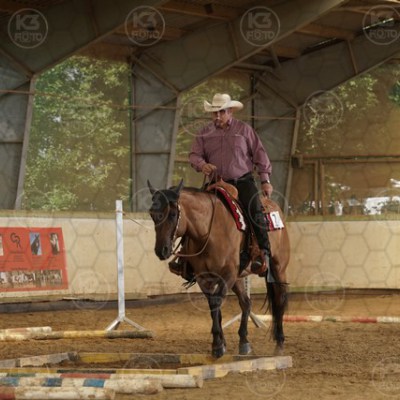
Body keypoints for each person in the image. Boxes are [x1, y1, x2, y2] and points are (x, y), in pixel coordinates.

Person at [169, 93, 273, 279]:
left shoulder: (244, 130)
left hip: (242, 181)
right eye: (214, 113)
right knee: (194, 214)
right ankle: (186, 259)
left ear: (230, 111)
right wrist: (202, 165)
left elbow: (260, 154)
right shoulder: (204, 132)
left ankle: (264, 253)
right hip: (215, 183)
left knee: (254, 209)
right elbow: (194, 155)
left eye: (221, 112)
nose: (217, 116)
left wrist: (265, 180)